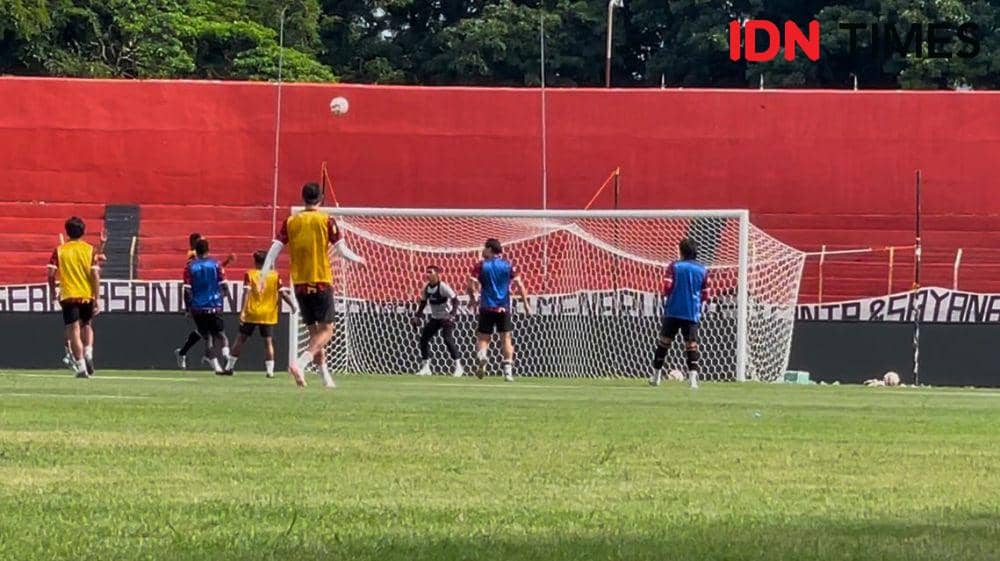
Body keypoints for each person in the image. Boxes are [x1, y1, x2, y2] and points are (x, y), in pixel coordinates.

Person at [260, 182, 366, 388]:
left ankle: (325, 377)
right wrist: (358, 259)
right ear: (321, 199)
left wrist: (264, 275)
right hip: (320, 281)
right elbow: (342, 250)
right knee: (327, 331)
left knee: (315, 334)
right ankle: (301, 363)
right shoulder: (326, 220)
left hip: (299, 284)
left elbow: (274, 248)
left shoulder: (291, 221)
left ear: (303, 198)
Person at [466, 238, 531, 382]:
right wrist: (526, 304)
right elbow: (519, 284)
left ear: (489, 249)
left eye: (484, 248)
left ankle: (482, 356)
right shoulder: (508, 265)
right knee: (506, 338)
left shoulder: (481, 265)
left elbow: (471, 284)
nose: (483, 251)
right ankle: (508, 372)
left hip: (486, 307)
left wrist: (472, 298)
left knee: (483, 337)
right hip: (504, 307)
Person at [227, 250, 297, 377]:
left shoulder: (250, 274)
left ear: (255, 262)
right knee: (268, 342)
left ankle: (229, 367)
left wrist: (242, 311)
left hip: (252, 313)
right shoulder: (275, 275)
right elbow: (282, 293)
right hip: (267, 314)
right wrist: (292, 306)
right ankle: (270, 372)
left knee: (240, 340)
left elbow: (246, 293)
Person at [651, 238, 709, 389]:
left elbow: (667, 286)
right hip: (691, 312)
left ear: (681, 251)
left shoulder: (674, 266)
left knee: (664, 343)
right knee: (691, 345)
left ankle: (656, 377)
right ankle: (693, 380)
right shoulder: (703, 269)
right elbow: (706, 294)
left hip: (673, 309)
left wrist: (668, 295)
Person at [47, 217, 100, 378]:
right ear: (83, 231)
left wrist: (52, 290)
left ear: (67, 232)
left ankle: (81, 366)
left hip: (69, 295)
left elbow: (50, 273)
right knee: (87, 325)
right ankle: (89, 351)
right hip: (86, 294)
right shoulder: (90, 250)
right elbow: (95, 274)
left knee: (73, 330)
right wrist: (97, 297)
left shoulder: (60, 250)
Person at [175, 232, 235, 368]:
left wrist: (188, 307)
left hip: (198, 306)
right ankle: (223, 358)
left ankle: (210, 360)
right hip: (212, 304)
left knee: (206, 335)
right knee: (215, 335)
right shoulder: (193, 258)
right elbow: (216, 273)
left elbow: (189, 287)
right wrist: (221, 297)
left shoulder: (194, 265)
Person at [410, 265, 464, 377]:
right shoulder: (426, 288)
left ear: (437, 274)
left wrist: (452, 315)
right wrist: (417, 316)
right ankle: (426, 367)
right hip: (435, 318)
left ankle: (459, 366)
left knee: (447, 339)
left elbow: (455, 300)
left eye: (430, 272)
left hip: (446, 317)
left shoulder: (443, 287)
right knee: (424, 339)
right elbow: (423, 303)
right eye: (427, 272)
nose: (427, 274)